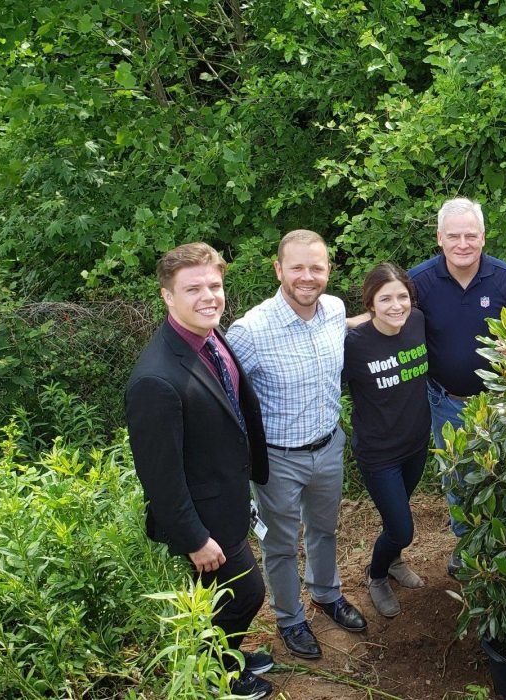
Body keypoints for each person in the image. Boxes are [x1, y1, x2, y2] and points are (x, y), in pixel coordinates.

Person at [125, 242, 274, 699]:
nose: (209, 296)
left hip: (226, 497)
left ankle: (225, 656)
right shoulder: (155, 379)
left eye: (215, 285)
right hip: (204, 519)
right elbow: (159, 475)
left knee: (220, 598)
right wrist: (194, 539)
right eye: (194, 289)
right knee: (246, 595)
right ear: (167, 296)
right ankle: (219, 675)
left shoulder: (207, 334)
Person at [227, 230, 365, 663]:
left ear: (328, 270)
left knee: (325, 530)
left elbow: (347, 332)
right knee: (281, 545)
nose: (308, 277)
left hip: (328, 446)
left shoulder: (335, 310)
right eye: (298, 267)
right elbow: (223, 393)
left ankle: (327, 594)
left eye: (317, 267)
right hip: (278, 460)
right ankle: (290, 618)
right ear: (278, 269)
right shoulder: (250, 330)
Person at [407, 197, 506, 575]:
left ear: (483, 238)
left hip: (499, 403)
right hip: (446, 400)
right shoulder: (419, 281)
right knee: (457, 478)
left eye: (471, 235)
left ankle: (503, 546)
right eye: (454, 236)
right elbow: (389, 320)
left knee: (503, 475)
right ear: (439, 238)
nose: (463, 243)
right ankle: (468, 545)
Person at [343, 263, 430, 618]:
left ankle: (392, 560)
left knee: (396, 521)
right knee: (401, 527)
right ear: (370, 303)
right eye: (385, 299)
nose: (397, 306)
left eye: (402, 297)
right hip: (379, 454)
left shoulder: (418, 322)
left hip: (416, 443)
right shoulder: (354, 344)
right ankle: (376, 574)